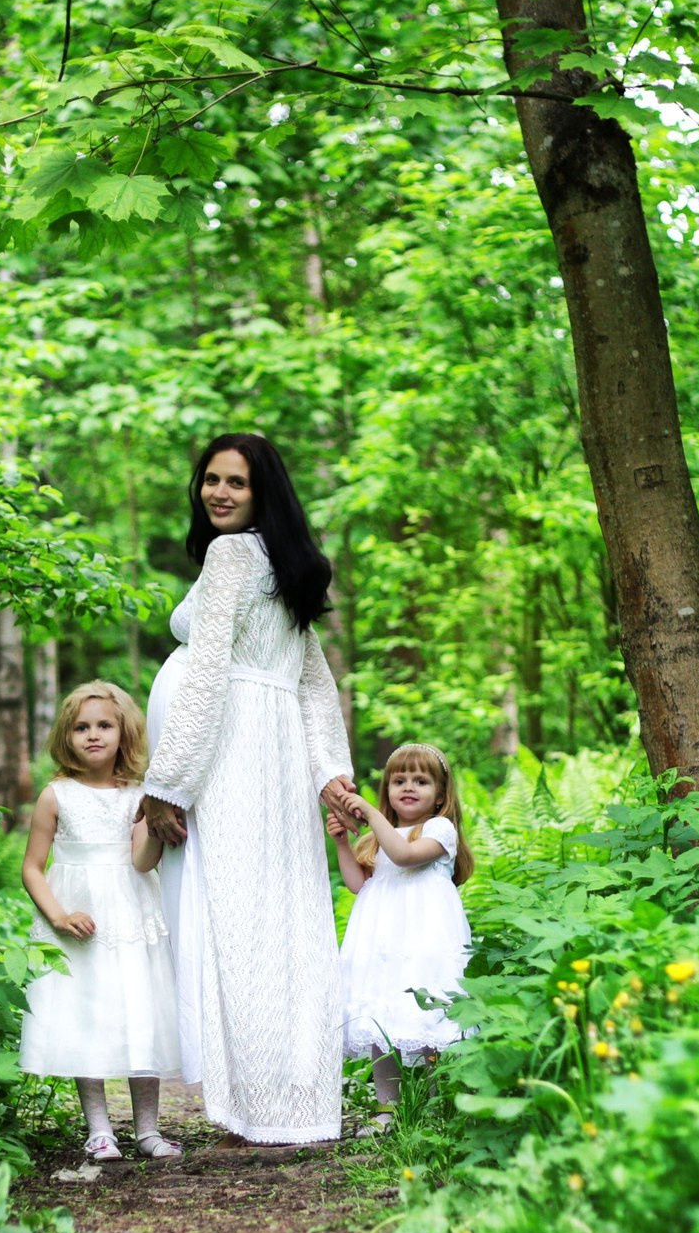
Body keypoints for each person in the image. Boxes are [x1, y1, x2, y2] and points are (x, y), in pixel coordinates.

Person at [141, 434, 358, 1144]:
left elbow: (207, 675)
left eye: (237, 482)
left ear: (264, 493)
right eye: (210, 479)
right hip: (277, 756)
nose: (220, 492)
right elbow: (315, 687)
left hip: (232, 754)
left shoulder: (232, 555)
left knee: (238, 923)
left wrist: (168, 783)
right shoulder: (282, 563)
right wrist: (328, 772)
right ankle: (299, 1096)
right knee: (288, 920)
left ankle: (257, 1103)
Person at [18, 681, 183, 1161]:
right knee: (83, 1012)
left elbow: (142, 862)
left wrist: (155, 823)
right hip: (77, 917)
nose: (93, 735)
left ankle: (148, 1129)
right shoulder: (56, 795)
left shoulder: (138, 795)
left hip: (131, 910)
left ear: (124, 732)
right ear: (65, 737)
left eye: (104, 726)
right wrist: (59, 915)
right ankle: (99, 1129)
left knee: (140, 1009)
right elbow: (32, 866)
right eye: (81, 727)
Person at [331, 743, 475, 1136]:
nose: (408, 787)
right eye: (398, 780)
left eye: (420, 780)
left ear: (441, 795)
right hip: (383, 937)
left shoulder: (439, 829)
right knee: (382, 1015)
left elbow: (406, 857)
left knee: (425, 1012)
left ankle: (429, 1101)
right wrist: (344, 842)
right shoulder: (381, 834)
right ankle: (386, 1108)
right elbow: (358, 884)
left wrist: (371, 812)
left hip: (424, 935)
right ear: (388, 789)